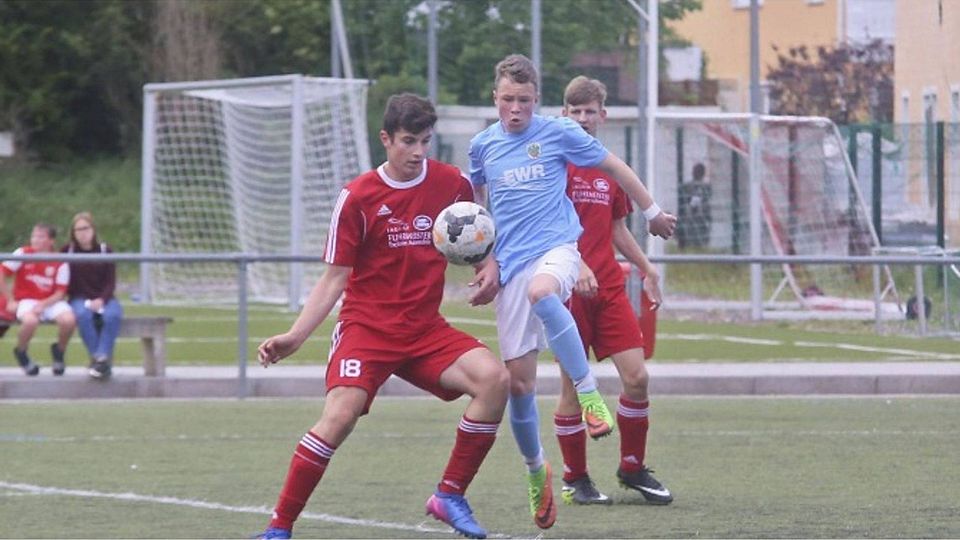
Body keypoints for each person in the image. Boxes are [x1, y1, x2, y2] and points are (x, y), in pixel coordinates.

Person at [253, 94, 509, 540]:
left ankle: (449, 494)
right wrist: (295, 336)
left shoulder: (452, 185)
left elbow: (474, 239)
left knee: (495, 380)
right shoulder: (357, 198)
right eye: (408, 141)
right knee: (340, 416)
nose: (417, 152)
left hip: (425, 330)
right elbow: (334, 279)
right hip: (367, 330)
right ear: (386, 139)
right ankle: (279, 528)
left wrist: (488, 267)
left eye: (425, 141)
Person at [468, 54, 677, 529]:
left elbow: (619, 169)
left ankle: (590, 397)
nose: (515, 109)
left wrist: (654, 213)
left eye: (523, 100)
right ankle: (537, 473)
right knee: (518, 387)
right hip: (513, 266)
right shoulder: (482, 148)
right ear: (495, 98)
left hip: (559, 252)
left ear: (537, 101)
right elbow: (479, 211)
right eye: (507, 100)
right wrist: (487, 263)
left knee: (544, 292)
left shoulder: (558, 135)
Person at [554, 75, 673, 507]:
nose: (583, 119)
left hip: (607, 287)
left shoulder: (607, 167)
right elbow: (549, 229)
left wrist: (646, 269)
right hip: (565, 289)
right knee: (573, 389)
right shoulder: (554, 164)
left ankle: (631, 466)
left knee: (637, 378)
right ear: (564, 114)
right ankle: (575, 479)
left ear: (603, 116)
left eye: (591, 112)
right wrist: (578, 263)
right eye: (576, 111)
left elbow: (617, 227)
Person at [0, 223, 76, 376]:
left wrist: (43, 304)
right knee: (30, 321)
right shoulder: (23, 253)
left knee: (68, 321)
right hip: (27, 300)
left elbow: (61, 292)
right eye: (34, 236)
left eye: (41, 236)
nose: (35, 239)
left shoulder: (60, 260)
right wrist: (10, 300)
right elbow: (1, 273)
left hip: (51, 302)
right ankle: (21, 351)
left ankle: (59, 352)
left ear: (51, 241)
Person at [61, 212, 123, 379]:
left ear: (93, 229)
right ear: (73, 232)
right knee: (83, 315)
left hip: (103, 297)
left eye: (85, 228)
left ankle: (99, 359)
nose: (82, 233)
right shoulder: (67, 251)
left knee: (113, 315)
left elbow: (111, 282)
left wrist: (101, 299)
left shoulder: (105, 250)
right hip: (79, 298)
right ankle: (101, 360)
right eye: (78, 229)